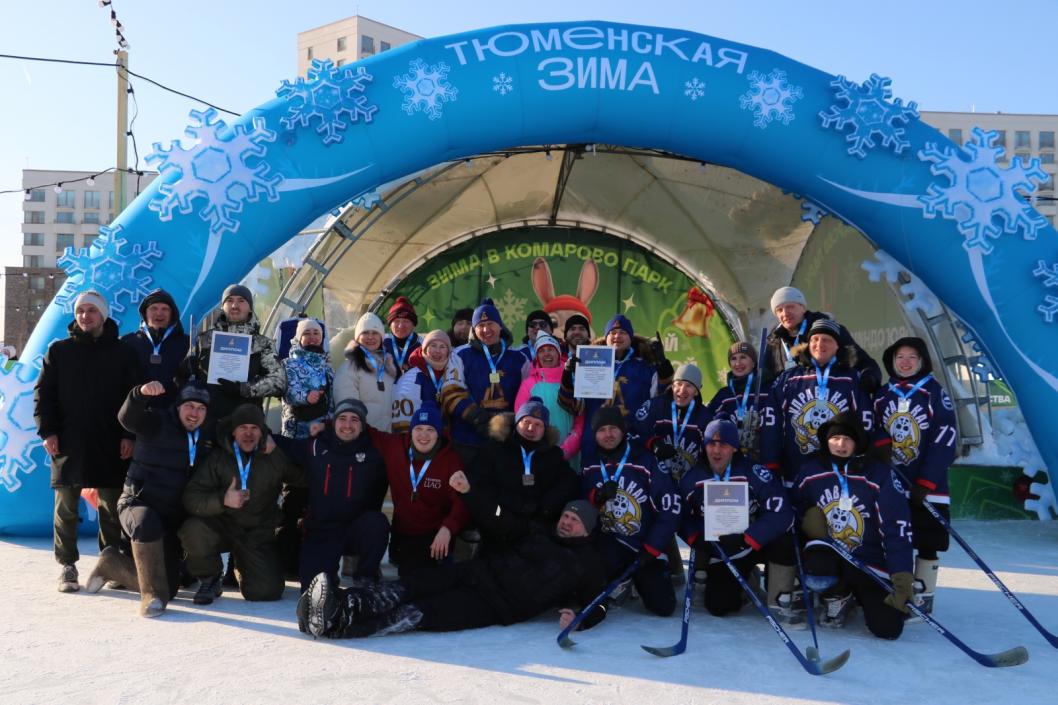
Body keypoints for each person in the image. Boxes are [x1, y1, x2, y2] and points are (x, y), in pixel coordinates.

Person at [297, 501, 607, 638]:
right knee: (413, 584)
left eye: (575, 520)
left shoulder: (587, 564)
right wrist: (480, 498)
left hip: (496, 604)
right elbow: (499, 515)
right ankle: (344, 604)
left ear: (587, 529)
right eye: (566, 515)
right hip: (476, 571)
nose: (566, 522)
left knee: (424, 611)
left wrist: (580, 619)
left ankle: (341, 626)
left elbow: (601, 603)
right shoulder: (539, 531)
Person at [34, 290, 140, 593]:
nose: (85, 316)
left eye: (92, 311)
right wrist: (47, 432)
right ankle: (67, 565)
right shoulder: (59, 351)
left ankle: (111, 564)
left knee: (110, 507)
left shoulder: (124, 353)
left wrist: (128, 435)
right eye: (80, 311)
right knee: (66, 506)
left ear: (103, 315)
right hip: (69, 441)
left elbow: (134, 400)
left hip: (110, 442)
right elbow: (43, 395)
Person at [85, 380, 212, 616]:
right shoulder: (157, 421)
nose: (194, 413)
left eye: (201, 408)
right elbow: (127, 418)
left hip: (170, 517)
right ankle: (150, 597)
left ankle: (110, 564)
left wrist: (265, 437)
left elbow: (238, 432)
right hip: (137, 503)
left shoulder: (205, 436)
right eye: (189, 406)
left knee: (170, 588)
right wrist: (139, 394)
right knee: (146, 523)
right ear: (178, 407)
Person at [793, 412, 914, 639]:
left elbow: (896, 526)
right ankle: (837, 595)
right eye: (835, 438)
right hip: (830, 557)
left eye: (848, 439)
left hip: (868, 562)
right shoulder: (810, 472)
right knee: (818, 568)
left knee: (887, 628)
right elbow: (793, 508)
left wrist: (901, 574)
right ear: (825, 440)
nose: (840, 444)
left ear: (858, 442)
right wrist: (807, 516)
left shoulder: (878, 474)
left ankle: (858, 594)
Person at [179, 404, 304, 604]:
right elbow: (191, 497)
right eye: (242, 428)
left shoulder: (274, 456)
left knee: (265, 592)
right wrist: (223, 499)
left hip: (256, 533)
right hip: (222, 526)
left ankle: (243, 565)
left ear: (262, 431)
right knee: (193, 529)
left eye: (254, 428)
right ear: (233, 431)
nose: (248, 434)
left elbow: (302, 477)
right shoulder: (218, 458)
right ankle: (210, 578)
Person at [873, 337, 957, 615]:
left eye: (912, 357)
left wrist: (927, 481)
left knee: (927, 540)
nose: (905, 362)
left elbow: (945, 439)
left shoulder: (933, 392)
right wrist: (880, 443)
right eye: (900, 357)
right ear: (891, 361)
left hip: (926, 486)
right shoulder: (883, 394)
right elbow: (871, 427)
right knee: (894, 537)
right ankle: (898, 588)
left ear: (922, 361)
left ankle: (924, 593)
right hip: (890, 483)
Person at [679, 418, 795, 618]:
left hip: (756, 542)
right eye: (711, 444)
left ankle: (779, 599)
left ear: (734, 447)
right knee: (719, 606)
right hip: (725, 548)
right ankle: (745, 582)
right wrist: (696, 537)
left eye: (723, 444)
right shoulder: (693, 478)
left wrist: (748, 538)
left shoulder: (753, 472)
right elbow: (680, 515)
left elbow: (782, 512)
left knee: (784, 540)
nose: (716, 451)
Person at [272, 398, 389, 592]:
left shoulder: (375, 454)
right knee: (312, 590)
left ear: (363, 425)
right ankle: (328, 576)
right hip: (322, 531)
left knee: (377, 523)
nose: (348, 425)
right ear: (334, 422)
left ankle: (366, 577)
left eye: (354, 419)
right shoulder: (316, 446)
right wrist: (264, 435)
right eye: (342, 418)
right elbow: (285, 445)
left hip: (356, 530)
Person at [581, 406, 680, 617]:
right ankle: (621, 580)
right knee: (588, 586)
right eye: (602, 430)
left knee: (663, 607)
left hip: (643, 545)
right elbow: (581, 505)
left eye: (613, 428)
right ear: (594, 434)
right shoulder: (590, 463)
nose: (608, 434)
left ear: (623, 430)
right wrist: (595, 497)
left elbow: (671, 508)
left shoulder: (646, 461)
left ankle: (634, 580)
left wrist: (652, 547)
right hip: (609, 544)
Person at [452, 397, 579, 552]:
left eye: (538, 424)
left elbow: (569, 482)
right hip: (498, 520)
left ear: (545, 429)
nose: (531, 428)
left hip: (535, 530)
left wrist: (546, 507)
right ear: (517, 422)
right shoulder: (494, 448)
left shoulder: (552, 455)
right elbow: (479, 484)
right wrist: (513, 503)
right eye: (526, 422)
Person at [760, 318, 873, 485]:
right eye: (815, 339)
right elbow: (771, 424)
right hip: (794, 473)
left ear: (838, 346)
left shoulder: (851, 379)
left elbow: (865, 423)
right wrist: (771, 463)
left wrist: (860, 461)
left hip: (841, 476)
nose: (820, 344)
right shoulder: (789, 378)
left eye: (827, 340)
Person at [368, 403, 469, 577]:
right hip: (404, 533)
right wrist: (327, 423)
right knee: (409, 576)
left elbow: (463, 501)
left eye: (430, 429)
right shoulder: (395, 446)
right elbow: (361, 429)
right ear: (411, 431)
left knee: (433, 582)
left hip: (436, 534)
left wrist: (447, 529)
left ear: (438, 433)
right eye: (418, 428)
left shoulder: (451, 459)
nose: (423, 435)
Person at [562, 314, 674, 468]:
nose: (617, 336)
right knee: (594, 486)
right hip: (595, 438)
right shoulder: (588, 363)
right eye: (612, 333)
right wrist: (568, 375)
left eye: (623, 332)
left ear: (630, 338)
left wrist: (662, 365)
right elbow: (572, 405)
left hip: (633, 437)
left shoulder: (645, 367)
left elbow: (662, 399)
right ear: (606, 337)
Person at [179, 284, 286, 424]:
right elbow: (183, 381)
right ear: (222, 307)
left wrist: (244, 389)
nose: (235, 305)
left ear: (250, 308)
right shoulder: (204, 340)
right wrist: (185, 369)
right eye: (229, 301)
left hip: (246, 424)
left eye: (241, 301)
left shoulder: (262, 344)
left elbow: (279, 382)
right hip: (208, 422)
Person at [440, 299, 526, 464]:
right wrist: (475, 416)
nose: (486, 330)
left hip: (506, 440)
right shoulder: (460, 355)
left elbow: (528, 394)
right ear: (474, 329)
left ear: (500, 326)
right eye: (480, 325)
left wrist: (513, 423)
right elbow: (450, 390)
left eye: (491, 324)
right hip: (467, 440)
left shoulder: (519, 359)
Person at [764, 286, 881, 394]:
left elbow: (859, 361)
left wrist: (869, 379)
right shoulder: (774, 340)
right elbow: (767, 377)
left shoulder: (829, 330)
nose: (785, 313)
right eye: (779, 310)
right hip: (791, 405)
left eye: (790, 307)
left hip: (830, 399)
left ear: (803, 308)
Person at [633, 363, 712, 480]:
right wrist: (653, 443)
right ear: (672, 385)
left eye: (689, 386)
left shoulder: (705, 416)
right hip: (656, 479)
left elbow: (711, 452)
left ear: (697, 391)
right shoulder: (655, 406)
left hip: (689, 480)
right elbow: (634, 433)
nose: (682, 390)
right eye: (678, 384)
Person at [514, 333, 583, 462]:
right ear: (537, 356)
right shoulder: (528, 384)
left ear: (558, 353)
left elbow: (580, 420)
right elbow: (521, 421)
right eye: (541, 351)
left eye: (551, 349)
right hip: (538, 454)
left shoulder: (573, 379)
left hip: (570, 454)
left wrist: (565, 450)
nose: (546, 354)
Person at [121, 288, 190, 409]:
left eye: (165, 309)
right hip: (135, 415)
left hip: (173, 417)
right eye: (154, 308)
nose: (159, 313)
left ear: (172, 314)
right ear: (145, 313)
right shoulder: (128, 342)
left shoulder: (187, 343)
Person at [391, 329, 464, 433]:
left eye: (442, 347)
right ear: (424, 349)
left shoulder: (454, 373)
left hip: (450, 437)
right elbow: (403, 420)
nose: (437, 351)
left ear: (448, 351)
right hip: (423, 438)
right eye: (433, 345)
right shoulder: (413, 376)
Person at [705, 341, 770, 458]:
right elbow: (705, 419)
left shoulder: (767, 389)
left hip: (764, 458)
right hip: (733, 461)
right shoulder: (724, 394)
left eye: (743, 357)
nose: (738, 363)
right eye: (733, 359)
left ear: (754, 362)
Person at [334, 312, 398, 431]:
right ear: (358, 338)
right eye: (365, 333)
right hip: (363, 437)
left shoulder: (388, 369)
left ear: (381, 337)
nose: (370, 337)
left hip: (387, 437)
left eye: (375, 333)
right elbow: (347, 409)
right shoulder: (348, 369)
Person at [280, 318, 333, 439]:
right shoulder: (289, 364)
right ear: (299, 338)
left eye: (316, 333)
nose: (312, 337)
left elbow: (332, 394)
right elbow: (288, 391)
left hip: (322, 427)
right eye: (306, 333)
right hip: (297, 429)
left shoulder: (326, 365)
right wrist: (306, 397)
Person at [383, 296, 421, 375]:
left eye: (406, 321)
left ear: (414, 325)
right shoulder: (381, 343)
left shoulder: (423, 346)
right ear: (390, 325)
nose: (401, 326)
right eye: (396, 321)